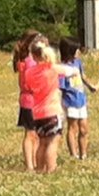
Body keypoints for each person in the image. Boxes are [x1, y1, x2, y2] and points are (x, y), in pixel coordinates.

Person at [24, 39, 80, 173]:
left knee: (42, 142)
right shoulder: (52, 68)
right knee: (52, 142)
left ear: (33, 55)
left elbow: (28, 87)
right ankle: (51, 168)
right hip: (53, 112)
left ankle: (39, 168)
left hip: (37, 113)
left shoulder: (29, 72)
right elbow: (74, 71)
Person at [58, 37, 96, 159]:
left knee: (84, 128)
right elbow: (60, 87)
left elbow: (82, 76)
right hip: (70, 101)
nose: (79, 51)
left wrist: (90, 85)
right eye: (76, 49)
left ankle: (83, 154)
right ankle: (73, 155)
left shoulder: (78, 62)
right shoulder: (62, 67)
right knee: (73, 127)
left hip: (81, 100)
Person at [12, 29, 41, 171]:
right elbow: (29, 83)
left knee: (35, 134)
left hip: (29, 100)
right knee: (30, 134)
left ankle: (34, 162)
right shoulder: (30, 61)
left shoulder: (25, 59)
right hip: (30, 100)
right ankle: (30, 164)